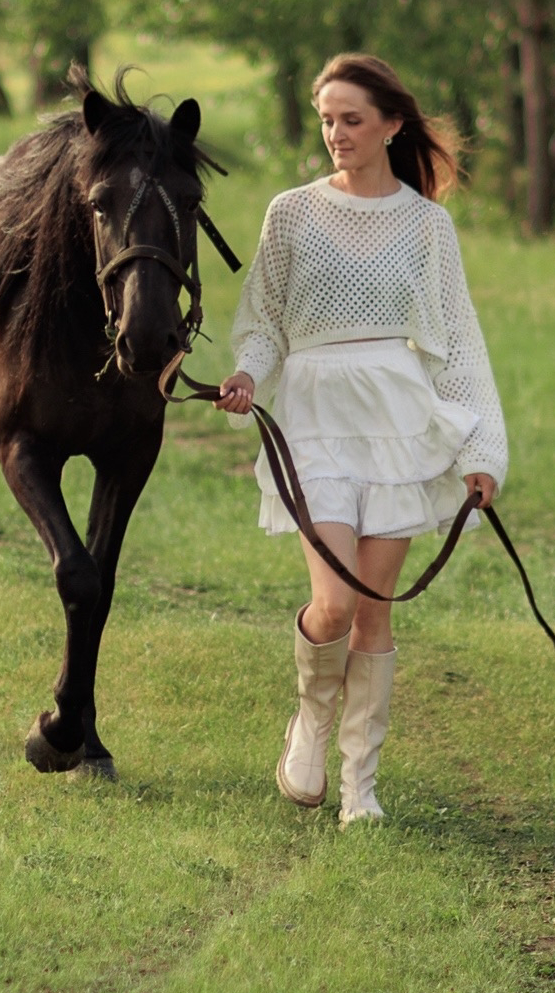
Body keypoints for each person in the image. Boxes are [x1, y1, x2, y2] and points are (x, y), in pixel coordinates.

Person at [216, 53, 507, 825]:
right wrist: (247, 374)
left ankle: (360, 789)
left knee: (375, 614)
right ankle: (311, 719)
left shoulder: (427, 225)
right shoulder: (291, 212)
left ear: (390, 126)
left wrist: (483, 456)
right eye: (325, 119)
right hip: (314, 417)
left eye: (350, 120)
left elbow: (461, 344)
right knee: (335, 603)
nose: (335, 134)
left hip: (398, 423)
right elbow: (265, 321)